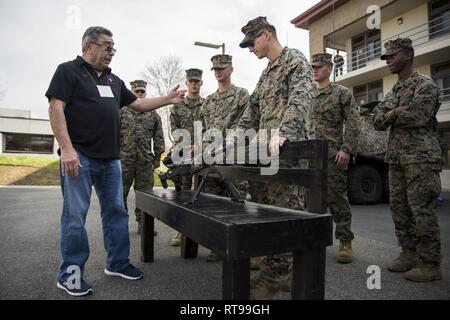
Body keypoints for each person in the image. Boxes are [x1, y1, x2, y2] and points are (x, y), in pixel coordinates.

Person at [45, 26, 185, 296]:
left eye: (114, 48)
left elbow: (139, 105)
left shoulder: (113, 81)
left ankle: (117, 263)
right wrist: (67, 149)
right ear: (89, 46)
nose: (112, 52)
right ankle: (70, 275)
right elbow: (55, 107)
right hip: (79, 156)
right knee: (75, 217)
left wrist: (167, 99)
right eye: (107, 46)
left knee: (116, 212)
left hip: (111, 160)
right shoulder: (68, 71)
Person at [238, 16, 314, 299]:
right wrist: (231, 142)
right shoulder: (267, 72)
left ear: (266, 35)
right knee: (264, 214)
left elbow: (301, 97)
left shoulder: (294, 60)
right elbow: (251, 112)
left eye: (251, 42)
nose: (250, 49)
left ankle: (277, 282)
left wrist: (285, 130)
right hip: (265, 157)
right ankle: (271, 271)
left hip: (287, 153)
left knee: (284, 216)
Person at [373, 38, 442, 282]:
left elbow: (417, 116)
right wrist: (394, 112)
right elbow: (376, 120)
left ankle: (430, 264)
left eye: (392, 56)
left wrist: (392, 115)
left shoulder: (425, 86)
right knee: (400, 210)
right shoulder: (395, 91)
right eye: (386, 57)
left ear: (409, 55)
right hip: (398, 159)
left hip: (421, 159)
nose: (388, 60)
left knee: (421, 210)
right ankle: (408, 254)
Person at [311, 53, 360, 263]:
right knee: (309, 200)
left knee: (336, 199)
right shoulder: (306, 95)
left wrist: (347, 148)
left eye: (319, 66)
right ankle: (311, 240)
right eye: (312, 66)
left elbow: (353, 122)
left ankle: (345, 241)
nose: (314, 69)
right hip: (309, 156)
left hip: (333, 156)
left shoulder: (341, 94)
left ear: (329, 69)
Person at [200, 54, 250, 262]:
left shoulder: (241, 95)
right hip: (212, 161)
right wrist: (204, 151)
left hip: (233, 158)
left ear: (230, 69)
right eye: (215, 69)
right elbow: (204, 130)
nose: (218, 71)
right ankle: (218, 246)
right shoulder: (209, 101)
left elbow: (246, 124)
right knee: (213, 203)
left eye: (222, 68)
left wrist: (227, 147)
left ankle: (242, 248)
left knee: (237, 204)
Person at [120, 80, 165, 235]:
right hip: (124, 159)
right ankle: (120, 224)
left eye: (142, 92)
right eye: (136, 91)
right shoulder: (122, 110)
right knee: (120, 193)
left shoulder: (153, 114)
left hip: (145, 161)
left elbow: (158, 137)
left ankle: (143, 225)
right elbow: (113, 133)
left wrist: (158, 156)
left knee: (145, 194)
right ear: (131, 91)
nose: (139, 94)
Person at [169, 68, 205, 246]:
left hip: (202, 155)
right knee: (183, 193)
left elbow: (210, 128)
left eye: (197, 81)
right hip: (183, 156)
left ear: (201, 83)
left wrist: (200, 146)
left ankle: (200, 233)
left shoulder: (207, 105)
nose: (194, 84)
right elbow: (174, 131)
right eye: (191, 81)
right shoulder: (177, 106)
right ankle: (180, 231)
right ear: (186, 83)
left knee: (202, 193)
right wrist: (185, 146)